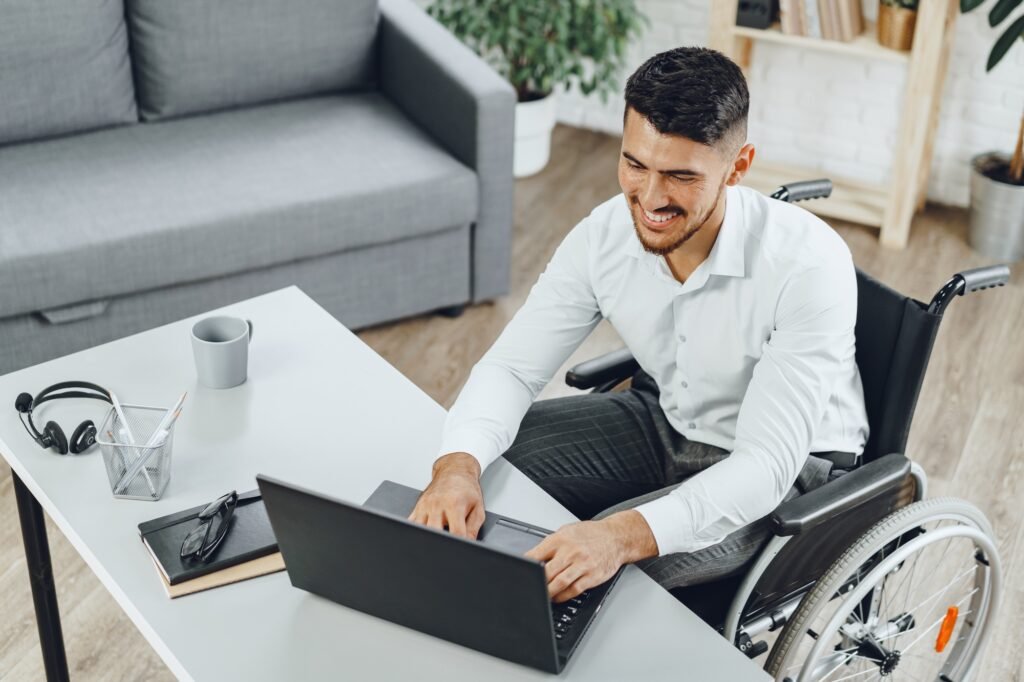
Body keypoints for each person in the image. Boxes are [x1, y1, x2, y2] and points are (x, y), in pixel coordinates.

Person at [409, 46, 869, 604]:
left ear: (738, 166)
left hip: (786, 472)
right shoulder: (602, 237)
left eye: (680, 175)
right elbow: (511, 368)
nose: (649, 198)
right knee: (482, 464)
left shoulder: (808, 264)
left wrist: (618, 535)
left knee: (580, 572)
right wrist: (458, 466)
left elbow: (765, 466)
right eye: (635, 164)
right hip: (664, 421)